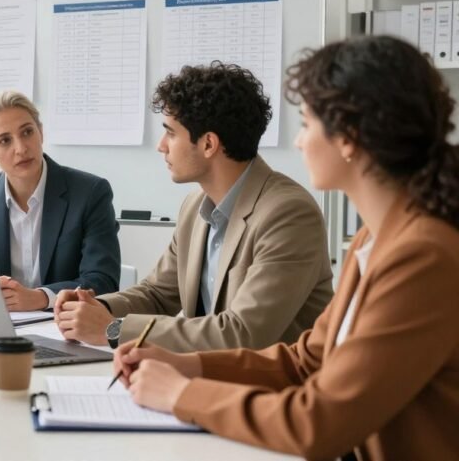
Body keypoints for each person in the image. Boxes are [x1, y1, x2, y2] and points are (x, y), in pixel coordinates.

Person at [117, 36, 459, 461]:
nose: (298, 143)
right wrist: (190, 365)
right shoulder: (375, 238)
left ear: (348, 137)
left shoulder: (423, 256)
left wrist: (184, 394)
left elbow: (318, 423)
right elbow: (304, 361)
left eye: (307, 124)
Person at [55, 62, 333, 351]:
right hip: (208, 377)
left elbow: (243, 333)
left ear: (209, 144)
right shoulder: (195, 207)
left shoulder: (288, 214)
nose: (161, 145)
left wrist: (114, 329)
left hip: (274, 388)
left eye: (171, 133)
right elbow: (158, 294)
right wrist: (94, 307)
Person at [0, 91, 121, 311]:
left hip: (66, 328)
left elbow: (103, 281)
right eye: (5, 140)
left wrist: (41, 297)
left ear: (41, 133)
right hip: (2, 328)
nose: (21, 148)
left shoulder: (90, 192)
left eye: (27, 132)